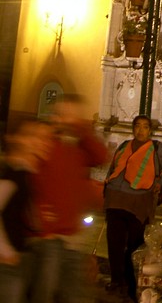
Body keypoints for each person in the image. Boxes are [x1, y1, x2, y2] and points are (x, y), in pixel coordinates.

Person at [28, 94, 108, 303]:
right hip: (49, 236)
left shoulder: (79, 147)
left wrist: (82, 130)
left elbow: (101, 157)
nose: (68, 119)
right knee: (45, 292)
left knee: (74, 293)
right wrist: (41, 220)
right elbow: (33, 181)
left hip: (74, 236)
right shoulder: (46, 143)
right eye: (64, 114)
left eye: (73, 115)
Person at [103, 115, 162, 300]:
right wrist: (107, 186)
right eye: (137, 126)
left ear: (150, 131)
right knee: (114, 243)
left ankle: (132, 284)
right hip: (115, 199)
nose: (140, 130)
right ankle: (116, 280)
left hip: (139, 202)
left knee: (134, 246)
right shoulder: (124, 146)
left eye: (145, 127)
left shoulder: (157, 148)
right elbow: (114, 167)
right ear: (133, 129)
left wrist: (160, 181)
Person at [0, 117, 51, 303]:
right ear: (17, 139)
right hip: (9, 262)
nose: (41, 142)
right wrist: (5, 251)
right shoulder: (13, 173)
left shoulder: (27, 172)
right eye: (34, 137)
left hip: (21, 256)